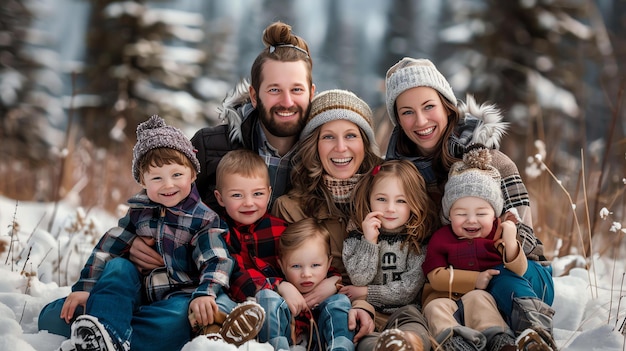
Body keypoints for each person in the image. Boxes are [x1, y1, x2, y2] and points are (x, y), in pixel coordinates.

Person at [38, 115, 264, 351]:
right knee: (98, 282)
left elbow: (216, 260)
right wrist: (85, 289)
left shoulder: (204, 219)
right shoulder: (138, 212)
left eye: (177, 175)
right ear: (143, 180)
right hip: (132, 296)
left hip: (176, 300)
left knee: (178, 319)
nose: (168, 185)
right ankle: (106, 328)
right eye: (157, 178)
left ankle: (105, 336)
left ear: (193, 174)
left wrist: (205, 293)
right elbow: (107, 249)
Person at [128, 19, 314, 295]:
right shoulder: (211, 145)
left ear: (311, 93)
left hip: (293, 286)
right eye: (274, 89)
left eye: (296, 89)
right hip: (206, 283)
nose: (287, 101)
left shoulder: (325, 154)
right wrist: (135, 241)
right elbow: (159, 194)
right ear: (254, 95)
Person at [384, 57, 555, 351]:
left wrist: (506, 239)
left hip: (516, 273)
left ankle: (532, 333)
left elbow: (525, 235)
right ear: (398, 119)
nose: (421, 121)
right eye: (407, 112)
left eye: (429, 107)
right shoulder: (399, 177)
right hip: (451, 285)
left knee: (502, 281)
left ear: (447, 105)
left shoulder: (492, 164)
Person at [272, 89, 427, 351]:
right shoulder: (290, 208)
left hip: (382, 304)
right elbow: (280, 266)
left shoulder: (388, 195)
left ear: (365, 144)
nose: (341, 148)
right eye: (329, 137)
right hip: (326, 314)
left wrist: (335, 283)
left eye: (351, 136)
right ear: (314, 145)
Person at [422, 144, 556, 350]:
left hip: (483, 297)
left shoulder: (498, 232)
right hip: (446, 296)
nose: (471, 221)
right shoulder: (442, 238)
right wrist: (474, 279)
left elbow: (519, 270)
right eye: (461, 214)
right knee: (434, 308)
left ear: (494, 214)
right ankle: (453, 342)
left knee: (481, 300)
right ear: (448, 215)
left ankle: (500, 342)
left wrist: (511, 240)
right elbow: (436, 276)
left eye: (481, 213)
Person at [342, 159, 439, 351]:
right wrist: (369, 242)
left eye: (401, 200)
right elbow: (359, 278)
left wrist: (369, 292)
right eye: (381, 199)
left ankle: (408, 345)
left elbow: (409, 289)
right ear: (369, 198)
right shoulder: (355, 238)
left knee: (416, 331)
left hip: (406, 311)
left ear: (414, 203)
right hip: (368, 311)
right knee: (364, 340)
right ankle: (382, 347)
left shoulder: (416, 242)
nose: (390, 208)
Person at [257, 218, 355, 351]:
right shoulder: (279, 287)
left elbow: (340, 287)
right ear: (282, 266)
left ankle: (340, 348)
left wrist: (335, 282)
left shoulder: (333, 285)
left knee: (340, 302)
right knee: (266, 296)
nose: (306, 274)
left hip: (321, 341)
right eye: (296, 266)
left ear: (328, 263)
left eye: (315, 265)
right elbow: (260, 286)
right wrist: (280, 286)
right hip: (288, 342)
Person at [213, 148, 287, 303]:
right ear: (220, 198)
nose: (248, 203)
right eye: (237, 195)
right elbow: (234, 275)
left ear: (269, 195)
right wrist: (278, 286)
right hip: (236, 303)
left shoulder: (281, 230)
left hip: (282, 304)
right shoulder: (217, 232)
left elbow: (304, 261)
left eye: (258, 194)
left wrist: (332, 281)